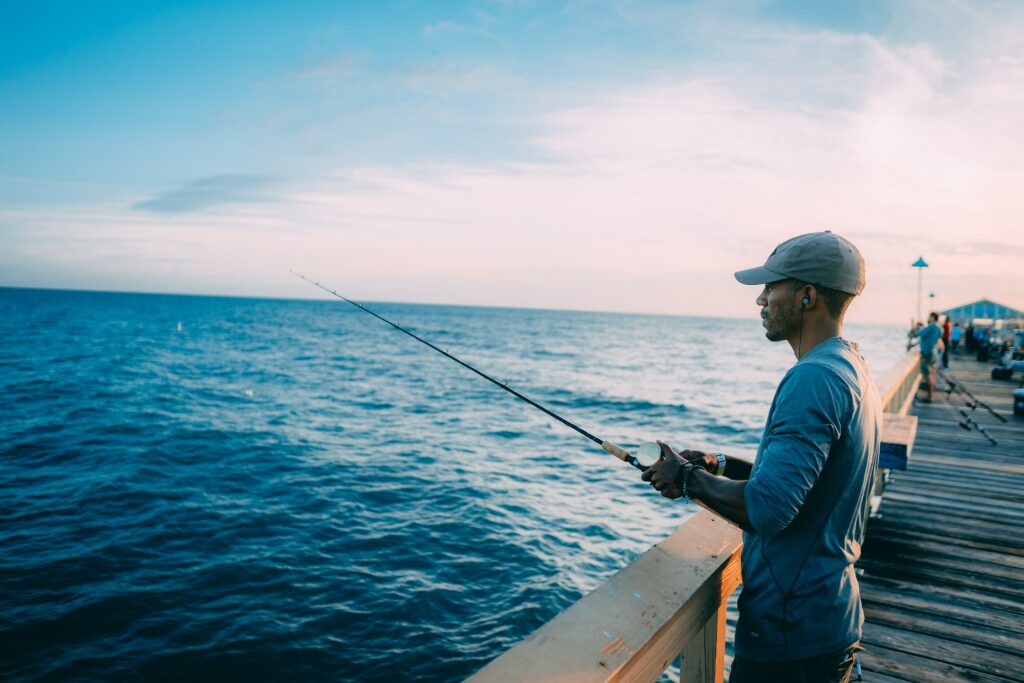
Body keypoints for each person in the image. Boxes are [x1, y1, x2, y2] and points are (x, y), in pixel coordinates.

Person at [642, 231, 881, 683]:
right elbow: (809, 485)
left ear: (808, 296)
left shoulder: (813, 379)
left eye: (772, 287)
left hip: (792, 640)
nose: (761, 300)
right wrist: (721, 465)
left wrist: (687, 478)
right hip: (827, 622)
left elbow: (769, 509)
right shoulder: (851, 368)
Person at [909, 312, 942, 402]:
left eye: (930, 317)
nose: (928, 318)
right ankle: (928, 395)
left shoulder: (931, 326)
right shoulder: (938, 328)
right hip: (933, 353)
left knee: (926, 375)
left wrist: (914, 327)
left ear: (933, 318)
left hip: (927, 353)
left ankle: (930, 397)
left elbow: (919, 333)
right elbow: (939, 336)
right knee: (928, 375)